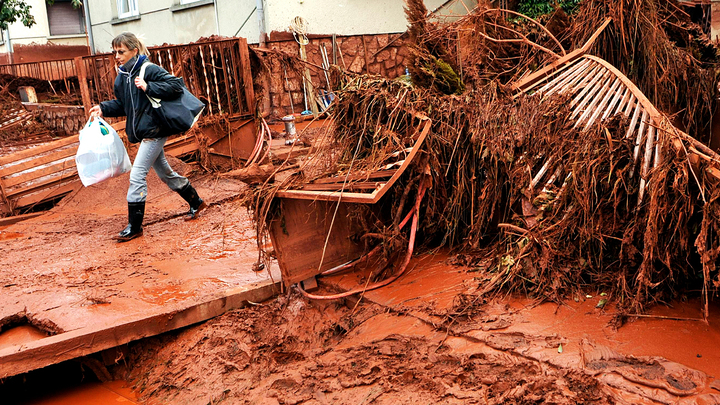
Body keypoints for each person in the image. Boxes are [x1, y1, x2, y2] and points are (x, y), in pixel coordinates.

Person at [89, 32, 206, 242]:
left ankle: (134, 226)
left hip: (155, 131)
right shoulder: (122, 78)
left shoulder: (148, 69)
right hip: (144, 133)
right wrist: (103, 109)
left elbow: (176, 86)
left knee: (137, 175)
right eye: (114, 51)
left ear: (134, 51)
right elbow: (125, 105)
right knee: (165, 174)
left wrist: (148, 86)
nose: (117, 56)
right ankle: (196, 201)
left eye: (121, 51)